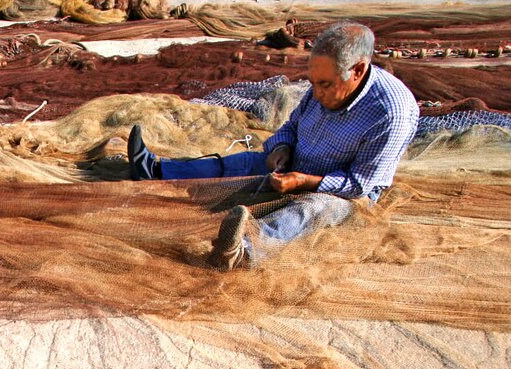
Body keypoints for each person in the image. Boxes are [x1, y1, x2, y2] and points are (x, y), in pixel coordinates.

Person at [128, 21, 420, 270]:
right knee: (245, 162)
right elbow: (292, 127)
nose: (316, 94)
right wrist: (281, 150)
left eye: (325, 85)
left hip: (344, 194)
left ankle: (242, 251)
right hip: (298, 164)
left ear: (357, 71)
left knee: (314, 209)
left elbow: (359, 184)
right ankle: (156, 170)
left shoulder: (390, 112)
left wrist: (304, 181)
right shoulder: (325, 84)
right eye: (313, 83)